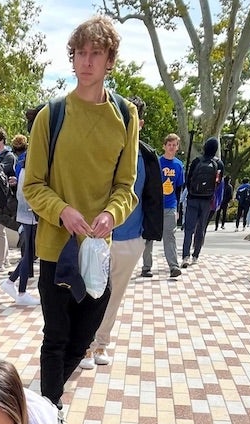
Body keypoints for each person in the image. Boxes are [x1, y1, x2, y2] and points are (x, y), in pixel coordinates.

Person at [24, 15, 138, 408]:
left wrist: (111, 213)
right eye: (80, 54)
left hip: (98, 253)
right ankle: (50, 418)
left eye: (96, 53)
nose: (86, 61)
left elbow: (127, 186)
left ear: (110, 60)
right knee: (55, 340)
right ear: (72, 59)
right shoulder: (51, 115)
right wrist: (63, 211)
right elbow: (32, 185)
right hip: (57, 250)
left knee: (83, 340)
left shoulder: (126, 116)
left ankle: (44, 407)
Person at [82, 96, 162, 370]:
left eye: (131, 118)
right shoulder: (100, 148)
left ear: (139, 122)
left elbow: (151, 196)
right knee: (91, 292)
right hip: (98, 237)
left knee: (114, 296)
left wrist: (146, 235)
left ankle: (100, 343)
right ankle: (85, 347)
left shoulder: (148, 156)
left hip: (132, 239)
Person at [0, 129, 40, 306]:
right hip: (30, 213)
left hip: (28, 212)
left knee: (30, 253)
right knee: (30, 253)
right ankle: (17, 288)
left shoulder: (25, 162)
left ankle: (13, 285)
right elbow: (26, 192)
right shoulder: (30, 163)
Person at [140, 132, 184, 279]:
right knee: (149, 236)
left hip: (170, 205)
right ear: (164, 146)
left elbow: (178, 188)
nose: (171, 147)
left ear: (177, 147)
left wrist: (177, 208)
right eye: (169, 144)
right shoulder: (157, 162)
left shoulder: (179, 165)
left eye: (174, 145)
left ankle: (173, 266)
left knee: (169, 236)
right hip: (155, 206)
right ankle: (146, 267)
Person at [181, 137, 223, 267]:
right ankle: (196, 255)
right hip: (207, 200)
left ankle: (185, 256)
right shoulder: (219, 164)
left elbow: (188, 179)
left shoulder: (196, 161)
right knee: (201, 228)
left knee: (189, 228)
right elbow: (219, 182)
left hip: (193, 197)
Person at [0, 128, 16, 271]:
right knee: (0, 231)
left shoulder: (8, 156)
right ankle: (4, 260)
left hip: (7, 199)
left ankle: (1, 261)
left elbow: (0, 172)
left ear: (1, 141)